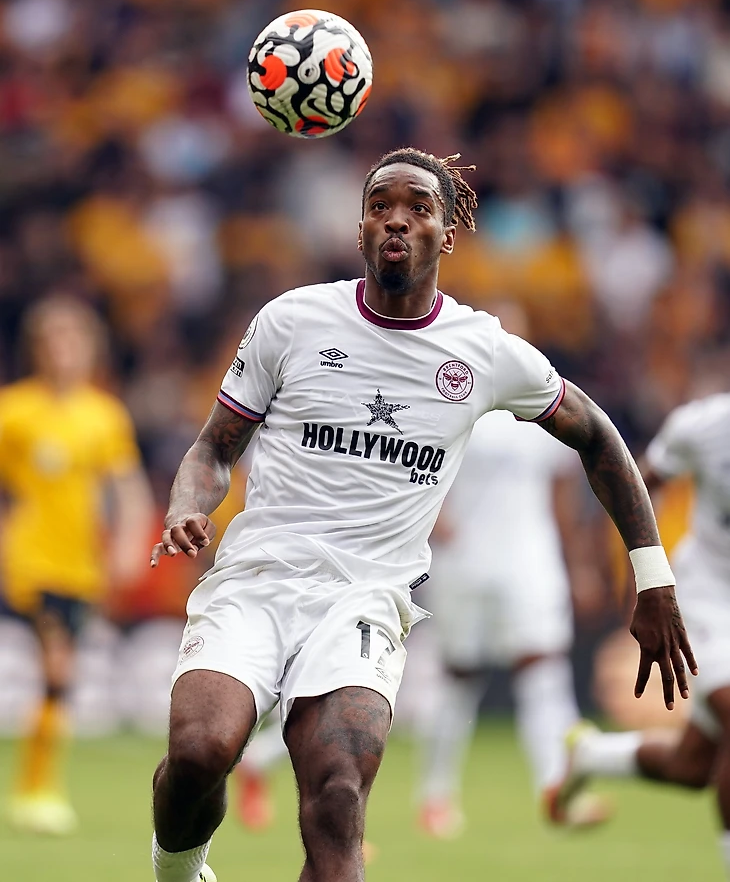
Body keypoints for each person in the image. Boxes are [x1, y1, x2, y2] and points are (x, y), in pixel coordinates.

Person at [149, 148, 695, 882]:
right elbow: (214, 448)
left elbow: (598, 437)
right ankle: (181, 872)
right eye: (380, 206)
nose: (397, 219)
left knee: (338, 793)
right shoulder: (293, 320)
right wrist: (187, 505)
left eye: (418, 207)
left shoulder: (482, 350)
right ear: (361, 229)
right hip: (256, 578)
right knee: (198, 753)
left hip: (365, 600)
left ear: (448, 231)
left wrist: (652, 577)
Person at [415, 334, 610, 836]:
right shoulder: (450, 403)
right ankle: (435, 796)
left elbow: (562, 501)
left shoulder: (548, 409)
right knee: (458, 677)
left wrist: (579, 566)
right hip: (464, 563)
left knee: (543, 670)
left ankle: (558, 789)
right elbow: (413, 471)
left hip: (529, 561)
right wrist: (432, 520)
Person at [553, 390, 730, 878]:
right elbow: (636, 484)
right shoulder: (703, 426)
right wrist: (643, 578)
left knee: (693, 767)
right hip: (710, 594)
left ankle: (593, 755)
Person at [0, 295, 153, 834]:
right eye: (53, 341)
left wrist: (130, 542)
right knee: (58, 665)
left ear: (90, 349)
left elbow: (126, 487)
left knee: (59, 676)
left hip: (81, 564)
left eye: (72, 340)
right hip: (31, 558)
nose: (63, 351)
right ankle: (38, 790)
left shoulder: (103, 415)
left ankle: (37, 785)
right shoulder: (14, 410)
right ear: (37, 350)